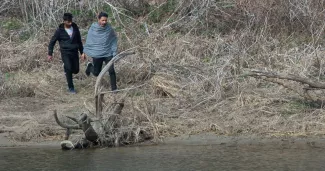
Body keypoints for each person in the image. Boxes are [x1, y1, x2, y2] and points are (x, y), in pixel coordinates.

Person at [48, 13, 85, 94]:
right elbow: (52, 42)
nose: (70, 23)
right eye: (68, 22)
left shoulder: (75, 28)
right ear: (64, 21)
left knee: (76, 70)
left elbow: (79, 41)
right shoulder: (59, 31)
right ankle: (71, 88)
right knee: (69, 68)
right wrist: (50, 53)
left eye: (71, 21)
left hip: (74, 52)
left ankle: (67, 69)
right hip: (65, 52)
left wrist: (82, 52)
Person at [84, 12, 118, 91]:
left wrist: (114, 51)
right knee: (96, 73)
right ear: (98, 19)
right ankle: (89, 66)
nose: (104, 22)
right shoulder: (93, 28)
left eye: (106, 20)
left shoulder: (109, 28)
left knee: (111, 70)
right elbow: (89, 41)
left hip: (108, 53)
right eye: (102, 20)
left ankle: (114, 89)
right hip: (97, 54)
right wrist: (84, 51)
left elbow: (113, 39)